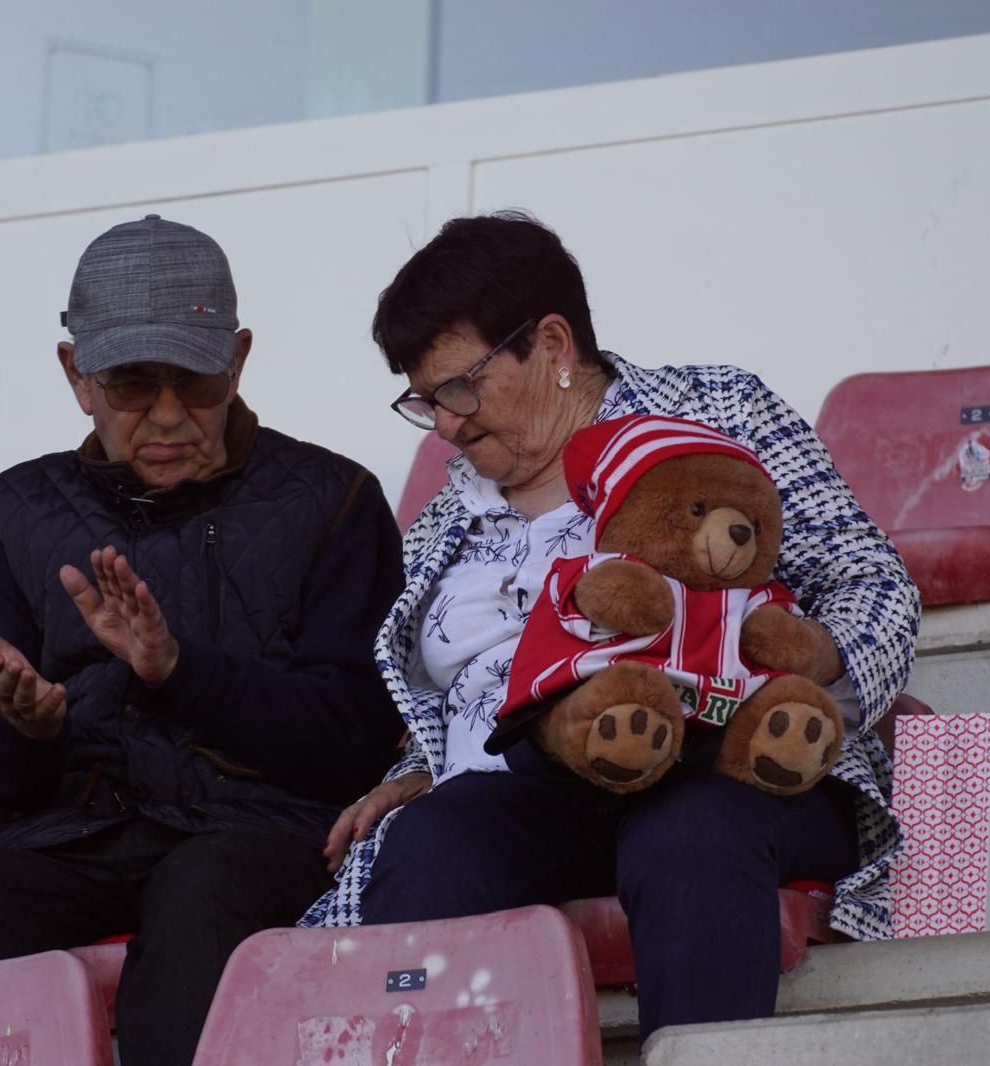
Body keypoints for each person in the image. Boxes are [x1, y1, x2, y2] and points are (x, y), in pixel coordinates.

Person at [300, 211, 920, 1043]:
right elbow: (453, 690)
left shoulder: (716, 410)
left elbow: (870, 584)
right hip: (537, 783)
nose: (445, 423)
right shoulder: (449, 513)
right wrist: (422, 765)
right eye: (425, 399)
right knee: (433, 842)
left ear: (553, 345)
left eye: (460, 388)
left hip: (730, 767)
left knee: (689, 835)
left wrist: (798, 668)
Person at [0, 215, 405, 1066]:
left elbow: (356, 741)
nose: (167, 415)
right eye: (130, 385)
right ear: (76, 376)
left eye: (194, 380)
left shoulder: (335, 501)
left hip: (260, 834)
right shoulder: (9, 515)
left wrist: (180, 671)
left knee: (202, 893)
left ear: (238, 360)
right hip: (69, 840)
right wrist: (25, 728)